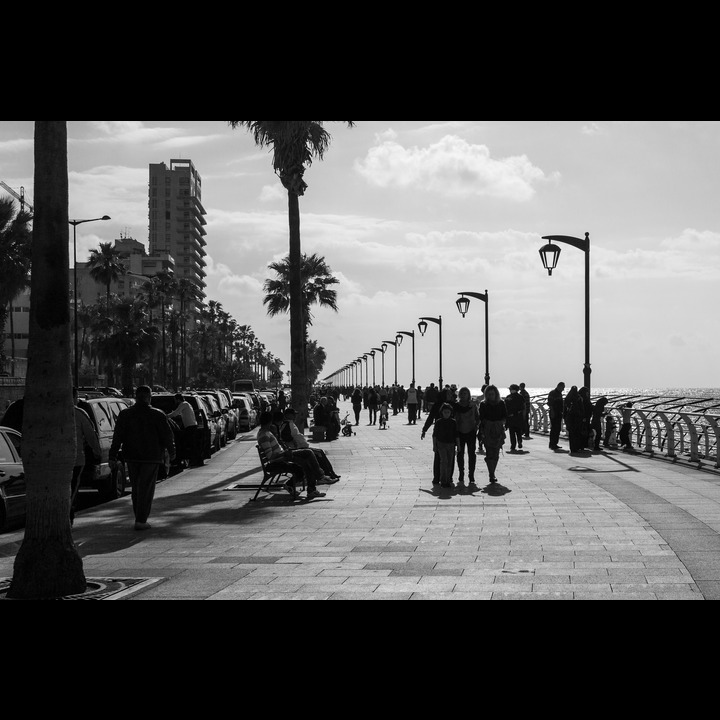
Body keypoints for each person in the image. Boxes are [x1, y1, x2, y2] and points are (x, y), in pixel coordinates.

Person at [109, 386, 176, 531]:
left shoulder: (125, 414)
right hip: (151, 457)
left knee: (136, 488)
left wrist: (112, 455)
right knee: (146, 488)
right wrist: (172, 452)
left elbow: (117, 436)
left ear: (136, 397)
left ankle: (138, 517)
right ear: (149, 397)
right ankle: (141, 519)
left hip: (132, 457)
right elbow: (167, 435)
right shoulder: (157, 414)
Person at [257, 411, 329, 499]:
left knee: (307, 459)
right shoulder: (264, 435)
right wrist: (284, 452)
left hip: (283, 455)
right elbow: (270, 456)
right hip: (281, 459)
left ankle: (313, 486)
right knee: (308, 453)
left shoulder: (266, 433)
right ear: (269, 421)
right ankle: (319, 478)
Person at [280, 407, 341, 481]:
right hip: (298, 448)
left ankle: (330, 472)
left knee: (320, 452)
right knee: (318, 453)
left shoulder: (290, 423)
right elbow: (285, 436)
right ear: (288, 415)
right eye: (293, 414)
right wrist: (293, 442)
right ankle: (327, 474)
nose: (295, 416)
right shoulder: (287, 425)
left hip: (301, 447)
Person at [71, 387, 102, 525]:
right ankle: (68, 513)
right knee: (72, 488)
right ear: (74, 397)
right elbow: (90, 434)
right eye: (77, 397)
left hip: (52, 460)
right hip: (75, 459)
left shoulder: (50, 412)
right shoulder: (78, 413)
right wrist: (97, 451)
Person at [478, 385, 507, 484]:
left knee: (496, 453)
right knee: (490, 452)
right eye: (489, 394)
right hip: (487, 431)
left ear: (496, 394)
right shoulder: (483, 404)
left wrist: (501, 423)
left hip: (498, 431)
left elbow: (505, 416)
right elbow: (481, 418)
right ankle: (491, 474)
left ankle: (492, 471)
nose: (491, 396)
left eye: (492, 394)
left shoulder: (501, 403)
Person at [167, 392, 202, 467]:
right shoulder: (186, 404)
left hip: (190, 427)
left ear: (178, 399)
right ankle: (195, 460)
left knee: (191, 444)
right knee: (192, 444)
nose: (175, 402)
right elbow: (179, 414)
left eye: (175, 400)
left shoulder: (183, 404)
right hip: (191, 426)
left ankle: (196, 460)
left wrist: (166, 416)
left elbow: (175, 413)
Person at [454, 386, 479, 484]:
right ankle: (461, 473)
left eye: (465, 393)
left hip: (471, 432)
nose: (464, 395)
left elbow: (477, 417)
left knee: (472, 454)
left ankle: (471, 474)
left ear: (468, 395)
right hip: (460, 432)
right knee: (460, 453)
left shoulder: (472, 405)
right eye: (462, 393)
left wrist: (476, 426)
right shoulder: (457, 406)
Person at [432, 403, 458, 488]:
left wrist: (459, 445)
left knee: (450, 462)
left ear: (451, 413)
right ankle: (443, 480)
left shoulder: (453, 422)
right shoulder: (439, 422)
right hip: (441, 444)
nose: (446, 414)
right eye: (445, 412)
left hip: (451, 444)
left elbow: (456, 435)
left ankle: (448, 478)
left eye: (448, 412)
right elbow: (435, 435)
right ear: (442, 412)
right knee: (444, 461)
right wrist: (434, 445)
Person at [563, 385, 585, 454]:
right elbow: (581, 408)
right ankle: (576, 447)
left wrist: (565, 417)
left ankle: (572, 448)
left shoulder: (568, 398)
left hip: (569, 419)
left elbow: (565, 409)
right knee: (576, 433)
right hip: (577, 418)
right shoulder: (578, 398)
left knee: (571, 434)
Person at [505, 384, 525, 452]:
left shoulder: (508, 397)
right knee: (518, 431)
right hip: (518, 417)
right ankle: (519, 441)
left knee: (512, 432)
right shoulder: (520, 397)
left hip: (510, 417)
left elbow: (505, 408)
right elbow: (523, 407)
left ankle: (513, 445)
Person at [547, 382, 565, 450]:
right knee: (554, 428)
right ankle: (552, 443)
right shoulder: (552, 393)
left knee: (557, 428)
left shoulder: (559, 393)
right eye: (562, 387)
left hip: (559, 413)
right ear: (559, 386)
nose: (563, 389)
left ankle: (555, 443)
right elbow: (550, 403)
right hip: (554, 412)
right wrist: (552, 412)